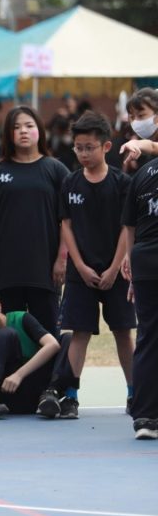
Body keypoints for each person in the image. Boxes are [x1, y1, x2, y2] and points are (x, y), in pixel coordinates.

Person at [57, 111, 134, 418]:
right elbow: (66, 226)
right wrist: (79, 265)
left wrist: (115, 268)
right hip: (81, 273)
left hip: (117, 271)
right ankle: (70, 396)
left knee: (123, 333)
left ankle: (135, 393)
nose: (83, 153)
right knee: (80, 333)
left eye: (89, 147)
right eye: (78, 147)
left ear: (106, 146)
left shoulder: (122, 183)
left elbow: (127, 228)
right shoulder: (70, 182)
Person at [0, 106, 69, 336]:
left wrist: (62, 259)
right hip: (5, 270)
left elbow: (67, 220)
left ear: (40, 130)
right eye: (16, 127)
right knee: (8, 332)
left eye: (29, 126)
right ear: (8, 134)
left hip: (45, 269)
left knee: (48, 333)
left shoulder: (56, 170)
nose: (23, 131)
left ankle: (48, 363)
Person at [0, 285, 75, 417]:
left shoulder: (20, 319)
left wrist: (18, 375)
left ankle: (55, 394)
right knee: (5, 334)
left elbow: (52, 345)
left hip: (35, 388)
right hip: (5, 393)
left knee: (69, 339)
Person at [115, 127, 158, 439]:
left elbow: (129, 225)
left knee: (147, 337)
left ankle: (144, 417)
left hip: (144, 260)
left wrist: (131, 264)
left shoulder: (142, 175)